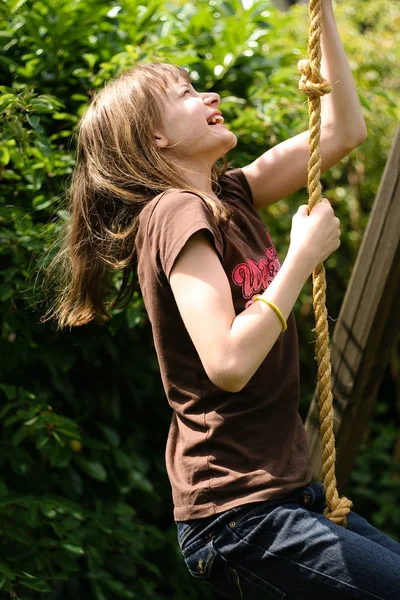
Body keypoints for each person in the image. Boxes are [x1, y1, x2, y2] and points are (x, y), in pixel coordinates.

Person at [45, 0, 400, 597]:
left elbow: (343, 130)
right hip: (240, 518)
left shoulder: (227, 195)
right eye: (185, 94)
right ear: (154, 137)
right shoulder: (173, 211)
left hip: (286, 498)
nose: (208, 96)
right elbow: (228, 363)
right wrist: (300, 259)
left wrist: (325, 13)